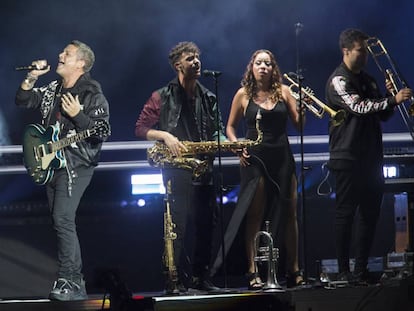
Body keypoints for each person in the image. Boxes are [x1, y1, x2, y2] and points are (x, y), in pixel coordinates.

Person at [15, 40, 110, 300]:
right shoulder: (54, 88)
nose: (59, 55)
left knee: (63, 219)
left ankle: (69, 279)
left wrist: (79, 115)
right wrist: (31, 77)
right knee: (60, 222)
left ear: (80, 63)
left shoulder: (91, 92)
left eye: (66, 54)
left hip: (77, 163)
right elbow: (23, 100)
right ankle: (75, 281)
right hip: (52, 163)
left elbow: (102, 132)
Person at [135, 41, 225, 293]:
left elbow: (217, 129)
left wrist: (227, 143)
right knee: (178, 224)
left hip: (203, 164)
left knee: (207, 223)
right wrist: (165, 135)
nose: (196, 61)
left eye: (197, 57)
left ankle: (200, 278)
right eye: (190, 58)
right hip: (176, 165)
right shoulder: (161, 96)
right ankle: (175, 280)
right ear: (178, 65)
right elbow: (140, 128)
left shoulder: (208, 97)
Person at [211, 49, 305, 289]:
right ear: (251, 67)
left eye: (268, 63)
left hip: (282, 156)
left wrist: (302, 108)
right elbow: (230, 127)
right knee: (255, 213)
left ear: (274, 68)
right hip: (254, 157)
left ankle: (293, 269)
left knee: (290, 211)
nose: (263, 66)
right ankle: (253, 271)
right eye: (259, 63)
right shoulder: (243, 95)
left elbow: (299, 125)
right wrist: (236, 146)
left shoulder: (284, 92)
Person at [325, 28, 412, 283]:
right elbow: (358, 107)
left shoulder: (370, 80)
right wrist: (392, 100)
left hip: (371, 157)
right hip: (346, 156)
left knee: (370, 215)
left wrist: (387, 96)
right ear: (346, 51)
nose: (365, 56)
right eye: (361, 51)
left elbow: (381, 115)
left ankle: (360, 268)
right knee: (346, 215)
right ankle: (343, 270)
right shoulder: (338, 80)